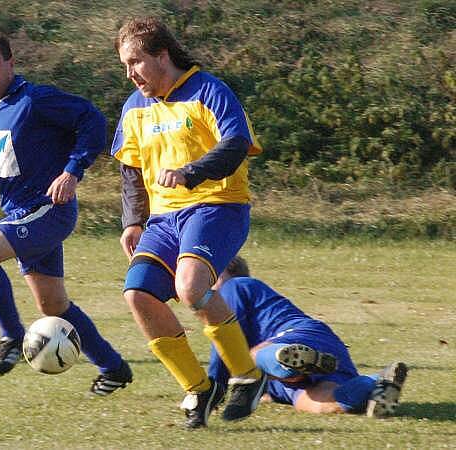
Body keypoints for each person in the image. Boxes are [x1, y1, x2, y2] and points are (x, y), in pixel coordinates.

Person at [0, 31, 132, 396]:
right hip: (19, 213)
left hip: (48, 210)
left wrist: (73, 171)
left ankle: (12, 337)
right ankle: (113, 368)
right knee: (54, 306)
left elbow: (91, 120)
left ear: (11, 64)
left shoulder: (36, 100)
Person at [111, 17, 266, 428]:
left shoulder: (209, 91)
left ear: (162, 55)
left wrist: (190, 172)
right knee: (137, 294)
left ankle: (248, 377)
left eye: (136, 62)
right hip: (163, 220)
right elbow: (130, 170)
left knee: (191, 287)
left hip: (218, 206)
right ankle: (199, 388)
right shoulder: (134, 108)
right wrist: (132, 221)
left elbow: (236, 145)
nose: (130, 74)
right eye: (125, 66)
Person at [208, 256, 409, 418]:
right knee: (314, 402)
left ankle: (288, 360)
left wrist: (211, 391)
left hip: (301, 334)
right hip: (311, 365)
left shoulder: (235, 285)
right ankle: (377, 382)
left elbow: (224, 338)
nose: (205, 285)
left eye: (209, 276)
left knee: (246, 359)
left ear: (228, 265)